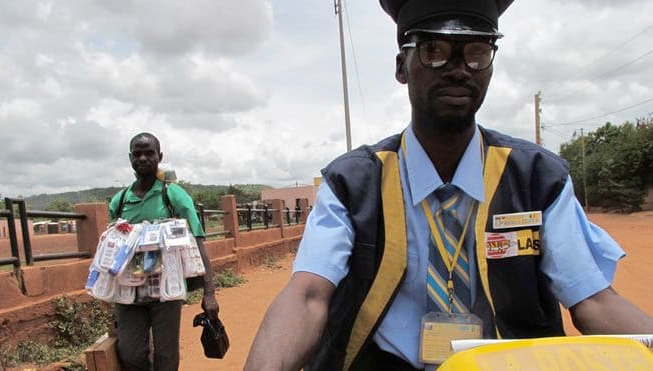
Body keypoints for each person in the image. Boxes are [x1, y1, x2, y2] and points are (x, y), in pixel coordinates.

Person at [244, 1, 653, 370]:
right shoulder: (352, 184)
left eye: (476, 52)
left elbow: (594, 301)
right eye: (434, 51)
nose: (459, 68)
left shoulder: (537, 180)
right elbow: (308, 297)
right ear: (402, 67)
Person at [108, 132, 219, 371]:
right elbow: (113, 249)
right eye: (137, 154)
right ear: (130, 158)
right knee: (131, 354)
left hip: (166, 289)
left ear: (160, 156)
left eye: (149, 153)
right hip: (129, 290)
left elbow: (198, 241)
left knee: (166, 356)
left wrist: (209, 293)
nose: (143, 158)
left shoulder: (173, 195)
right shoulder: (119, 202)